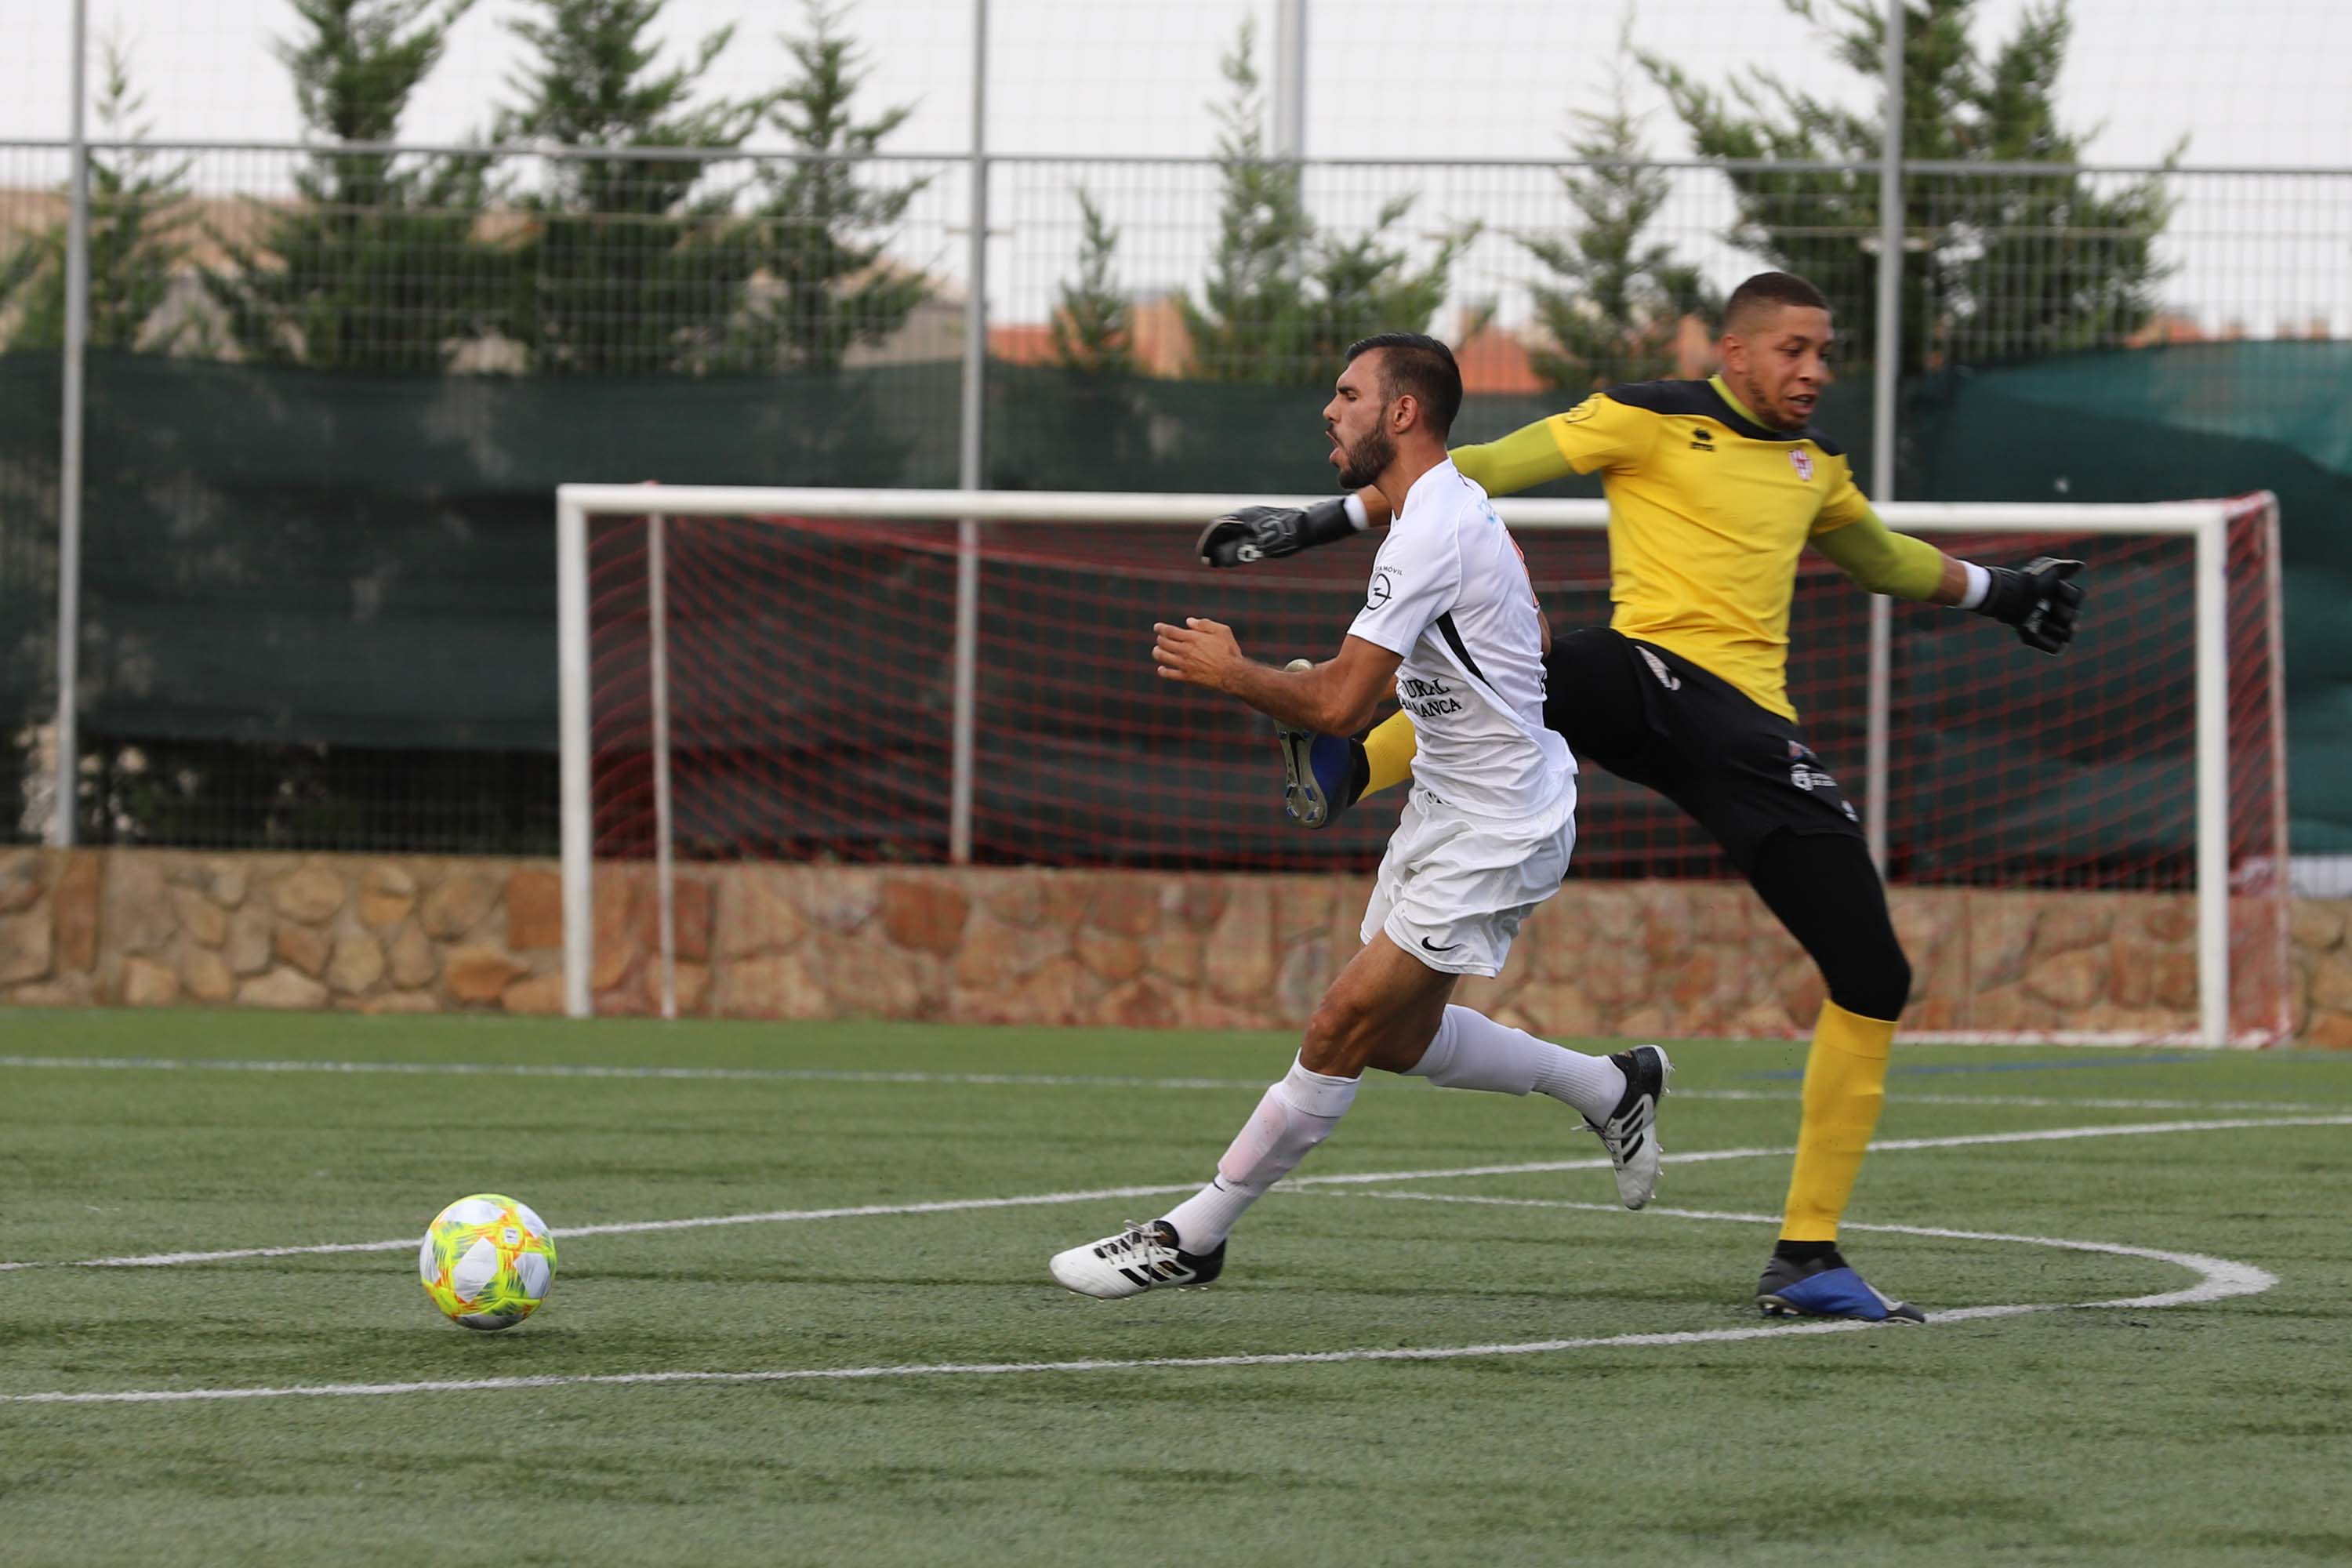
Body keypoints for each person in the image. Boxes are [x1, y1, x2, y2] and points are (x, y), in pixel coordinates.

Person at [1193, 272, 2085, 1323]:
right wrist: (1325, 518)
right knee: (1544, 665)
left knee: (1873, 968)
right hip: (1639, 677)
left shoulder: (1815, 469)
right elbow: (1471, 466)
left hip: (1744, 734)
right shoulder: (1649, 416)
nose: (1814, 371)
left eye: (1824, 352)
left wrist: (2006, 592)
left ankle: (1809, 1258)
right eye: (1793, 349)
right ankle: (1347, 761)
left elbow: (1882, 560)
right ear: (1737, 352)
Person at [1050, 332, 1670, 1299]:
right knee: (1393, 1038)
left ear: (1404, 412)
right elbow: (1529, 633)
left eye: (1347, 394)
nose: (1329, 411)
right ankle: (1609, 1085)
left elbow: (1340, 703)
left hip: (1500, 824)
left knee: (1338, 1021)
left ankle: (1195, 1233)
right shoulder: (1445, 505)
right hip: (1451, 807)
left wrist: (1235, 673)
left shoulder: (1433, 528)